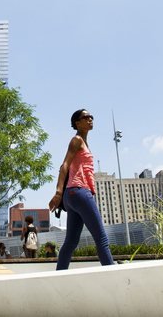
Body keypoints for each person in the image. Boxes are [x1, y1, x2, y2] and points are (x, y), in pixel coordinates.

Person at [47, 109, 115, 270]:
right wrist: (57, 193)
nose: (90, 119)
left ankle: (59, 275)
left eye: (92, 117)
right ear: (77, 123)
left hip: (72, 196)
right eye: (86, 117)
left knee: (70, 242)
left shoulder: (84, 142)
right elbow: (64, 165)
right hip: (79, 192)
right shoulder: (76, 140)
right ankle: (113, 275)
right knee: (102, 239)